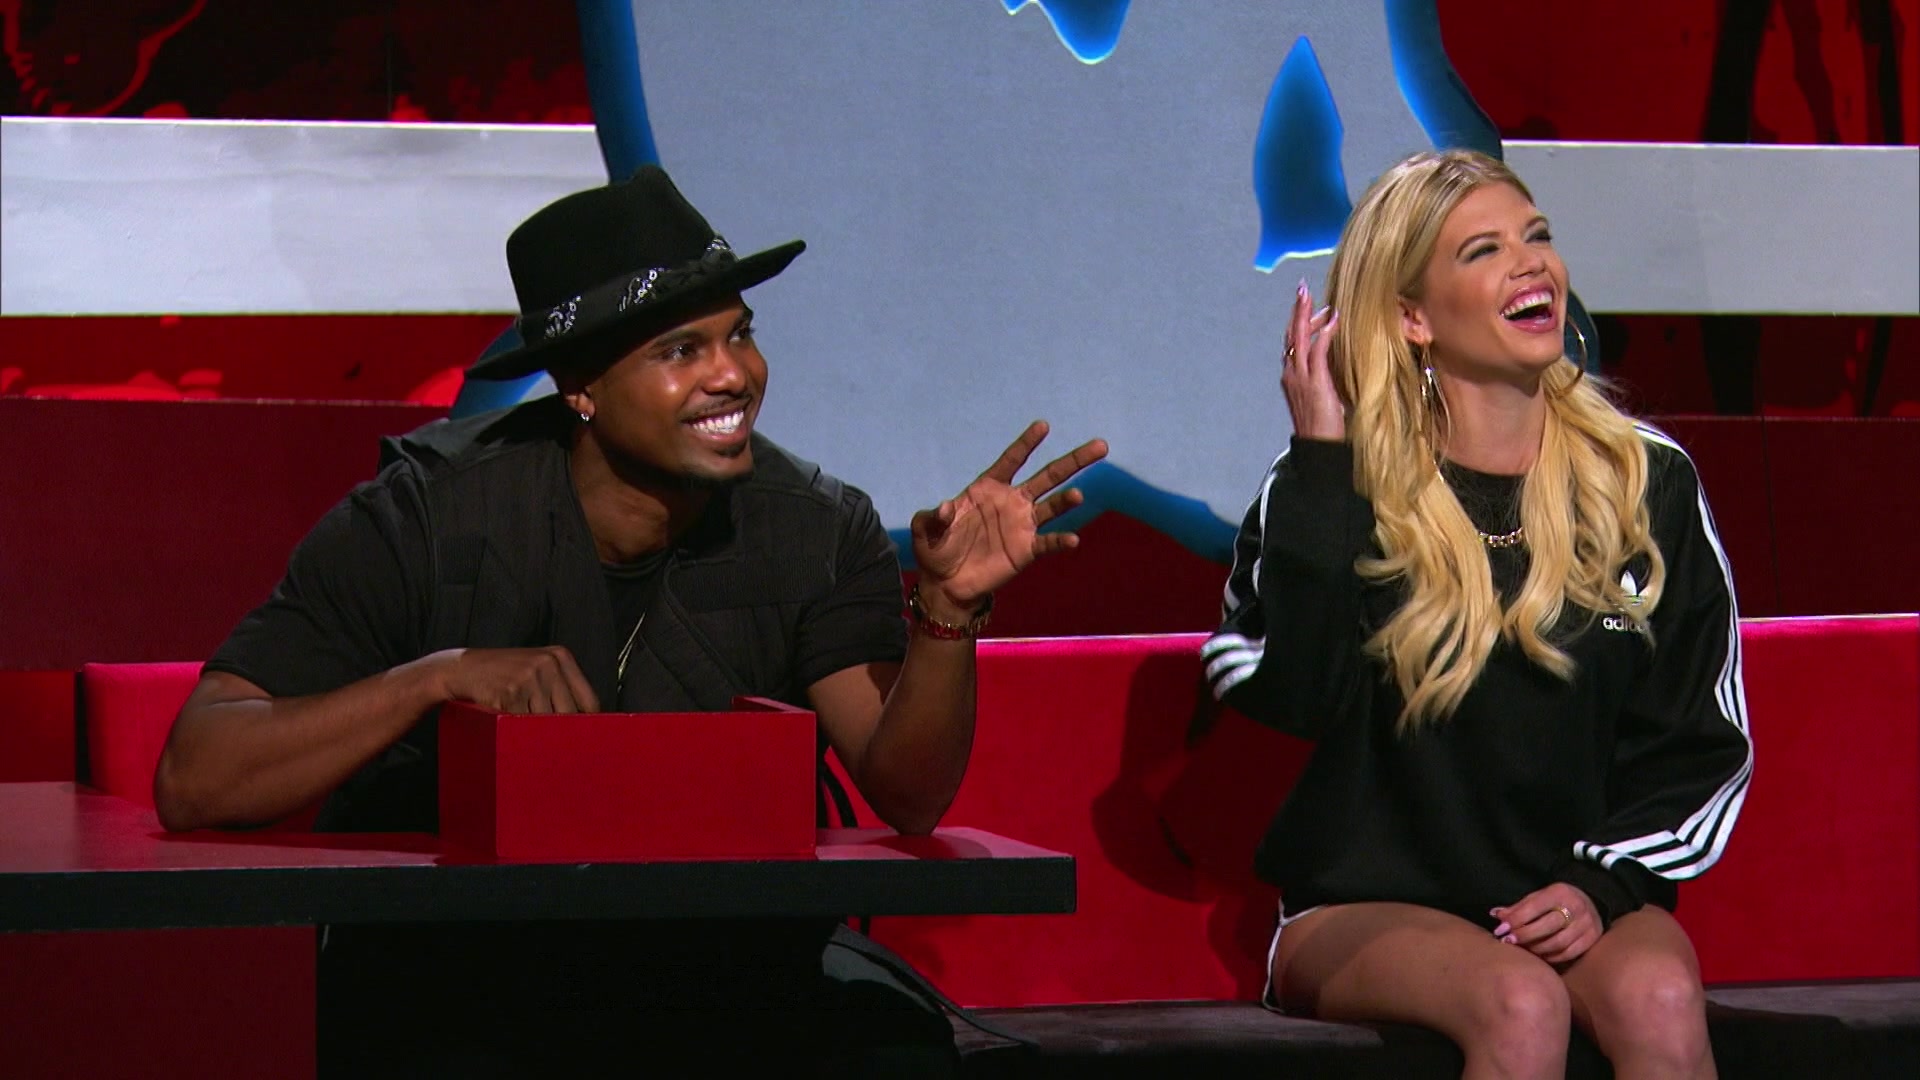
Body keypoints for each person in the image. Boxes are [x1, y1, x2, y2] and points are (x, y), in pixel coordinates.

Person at [152, 164, 1107, 1077]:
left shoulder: (815, 526)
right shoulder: (424, 518)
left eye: (740, 334)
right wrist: (432, 678)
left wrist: (946, 610)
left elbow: (910, 795)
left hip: (721, 963)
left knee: (891, 1048)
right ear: (580, 387)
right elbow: (198, 775)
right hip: (465, 965)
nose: (734, 375)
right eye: (681, 350)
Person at [1203, 149, 1750, 1080]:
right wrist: (1323, 465)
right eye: (1484, 250)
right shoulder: (1332, 485)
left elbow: (1701, 742)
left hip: (1574, 885)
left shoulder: (1643, 480)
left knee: (1658, 996)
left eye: (1537, 237)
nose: (1531, 263)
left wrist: (1600, 883)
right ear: (1412, 317)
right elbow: (1291, 693)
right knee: (1519, 1001)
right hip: (1362, 905)